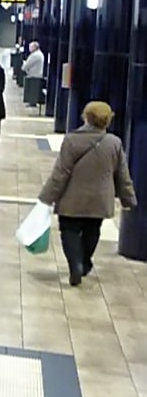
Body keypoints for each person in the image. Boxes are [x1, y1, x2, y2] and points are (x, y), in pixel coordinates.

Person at [38, 101, 136, 286]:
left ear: (86, 117)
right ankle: (84, 261)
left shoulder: (72, 140)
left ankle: (75, 265)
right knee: (92, 231)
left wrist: (46, 198)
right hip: (100, 200)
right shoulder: (114, 143)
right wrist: (128, 199)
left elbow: (61, 172)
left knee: (69, 231)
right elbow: (122, 175)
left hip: (72, 199)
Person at [22, 41, 45, 107]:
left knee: (32, 90)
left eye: (30, 47)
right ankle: (32, 102)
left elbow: (27, 64)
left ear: (34, 47)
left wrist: (24, 67)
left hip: (34, 75)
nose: (29, 48)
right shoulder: (39, 54)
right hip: (37, 74)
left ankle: (32, 102)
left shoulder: (35, 55)